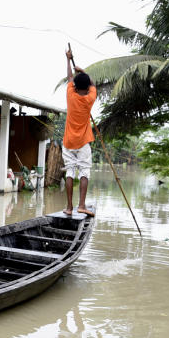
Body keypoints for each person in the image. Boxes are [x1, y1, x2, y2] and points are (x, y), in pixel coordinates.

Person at [62, 48, 97, 217]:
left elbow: (69, 78)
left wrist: (68, 60)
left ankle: (69, 208)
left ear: (75, 87)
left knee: (70, 171)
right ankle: (81, 205)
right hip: (83, 142)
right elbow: (92, 84)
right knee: (84, 171)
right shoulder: (90, 98)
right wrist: (83, 71)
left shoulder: (70, 95)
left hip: (68, 141)